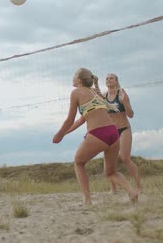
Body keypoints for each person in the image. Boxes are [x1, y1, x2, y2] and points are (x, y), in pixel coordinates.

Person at [53, 68, 138, 205]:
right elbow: (81, 120)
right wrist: (64, 133)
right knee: (111, 172)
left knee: (79, 162)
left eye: (74, 76)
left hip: (98, 134)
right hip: (113, 132)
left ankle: (87, 200)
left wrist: (59, 135)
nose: (72, 78)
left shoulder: (76, 92)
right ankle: (131, 191)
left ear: (79, 81)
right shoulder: (95, 93)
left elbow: (69, 119)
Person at [94, 73, 141, 193]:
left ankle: (139, 186)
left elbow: (131, 115)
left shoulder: (122, 94)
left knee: (125, 158)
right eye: (107, 79)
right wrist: (95, 83)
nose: (108, 80)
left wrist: (124, 102)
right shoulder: (104, 95)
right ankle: (113, 188)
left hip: (124, 129)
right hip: (111, 131)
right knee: (109, 161)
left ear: (116, 81)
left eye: (111, 78)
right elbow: (97, 95)